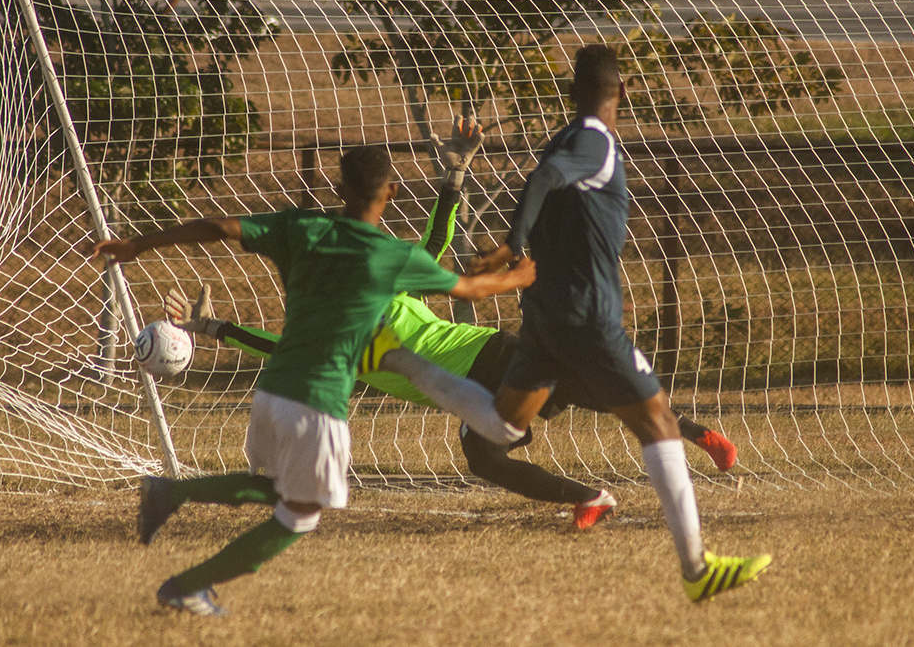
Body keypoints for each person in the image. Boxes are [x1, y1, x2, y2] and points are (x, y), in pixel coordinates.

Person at [382, 45, 771, 601]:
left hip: (541, 319)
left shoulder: (563, 137)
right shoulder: (595, 141)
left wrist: (517, 242)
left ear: (570, 93)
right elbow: (545, 179)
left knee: (497, 431)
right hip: (588, 316)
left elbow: (542, 180)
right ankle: (697, 570)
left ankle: (411, 368)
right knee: (655, 421)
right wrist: (515, 243)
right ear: (626, 93)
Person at [87, 133, 535, 616]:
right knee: (300, 516)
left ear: (339, 190)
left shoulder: (299, 228)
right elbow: (469, 289)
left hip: (272, 392)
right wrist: (518, 276)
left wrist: (138, 243)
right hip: (317, 403)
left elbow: (219, 226)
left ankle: (171, 493)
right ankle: (187, 581)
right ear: (392, 193)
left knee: (285, 492)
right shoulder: (391, 258)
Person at [164, 160, 737, 529]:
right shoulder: (342, 310)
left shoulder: (361, 290)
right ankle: (642, 470)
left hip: (487, 358)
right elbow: (279, 347)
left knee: (563, 411)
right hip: (481, 367)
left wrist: (454, 181)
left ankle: (634, 473)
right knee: (588, 398)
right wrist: (213, 329)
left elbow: (434, 241)